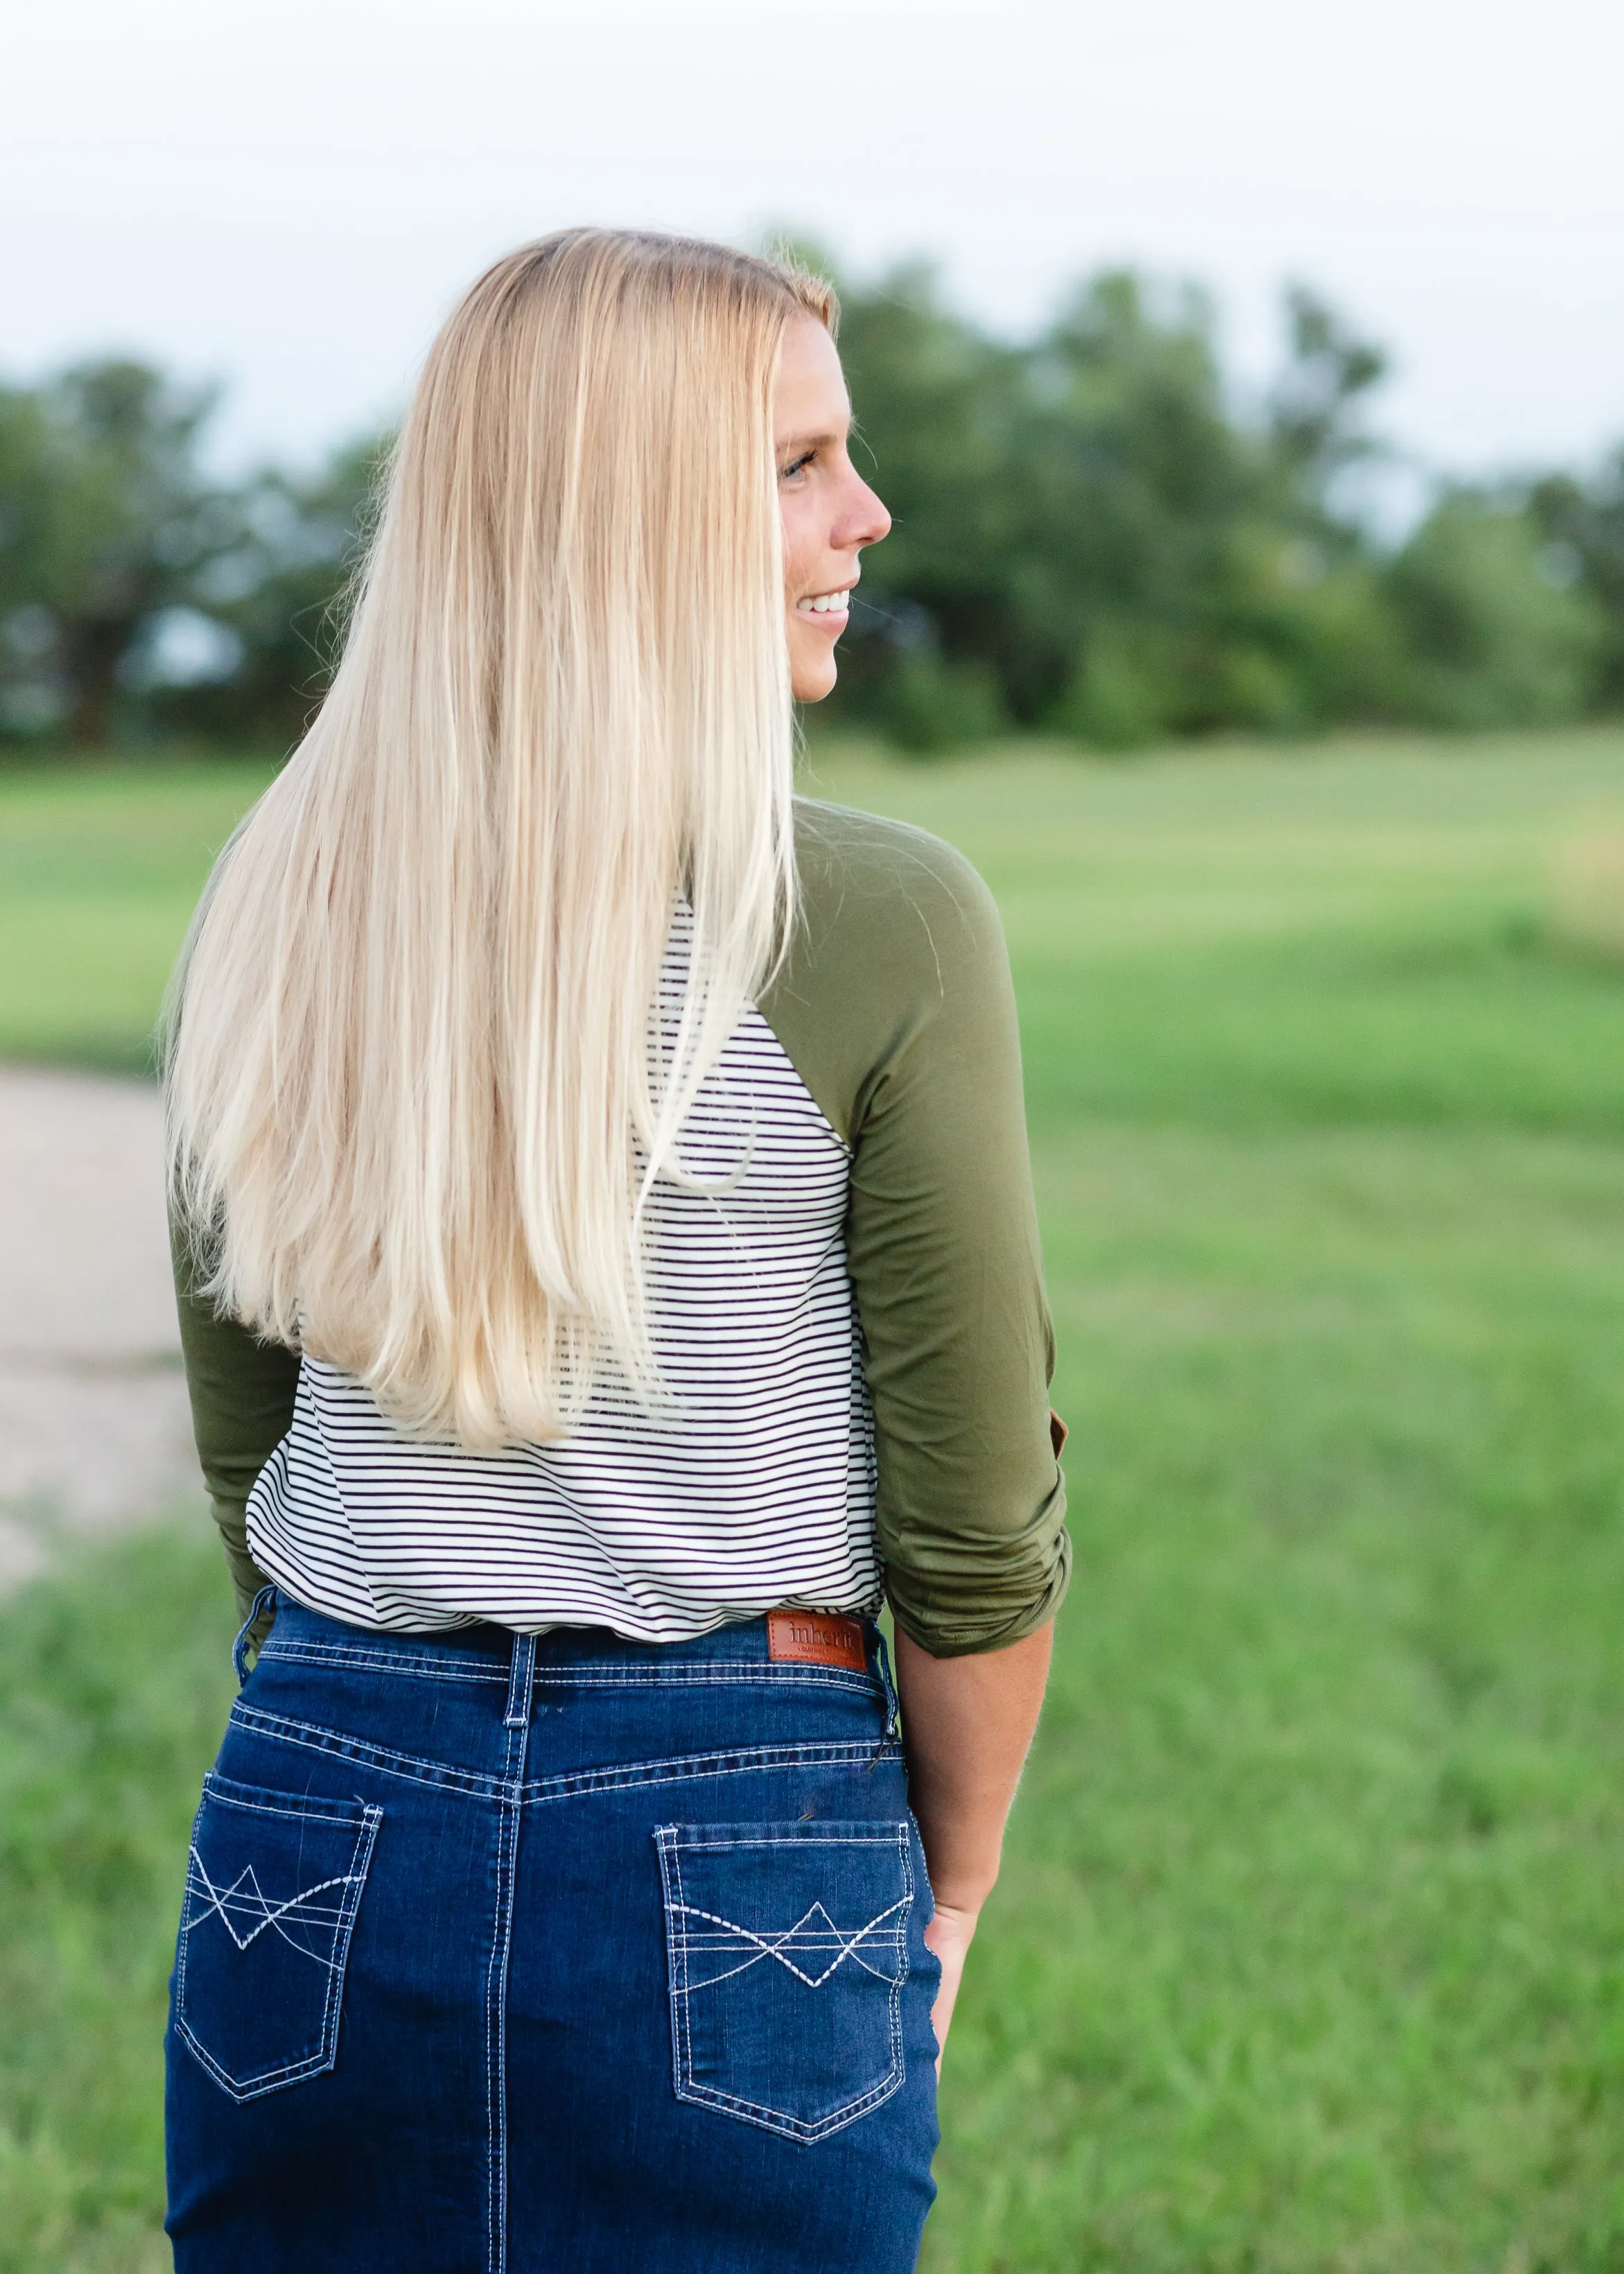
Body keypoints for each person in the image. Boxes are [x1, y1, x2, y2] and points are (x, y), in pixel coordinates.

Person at [161, 227, 1067, 2274]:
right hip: (741, 1797)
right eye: (793, 465)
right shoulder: (879, 919)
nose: (866, 514)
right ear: (625, 520)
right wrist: (955, 1876)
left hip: (317, 1782)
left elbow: (251, 1445)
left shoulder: (275, 896)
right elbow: (973, 1517)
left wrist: (377, 1692)